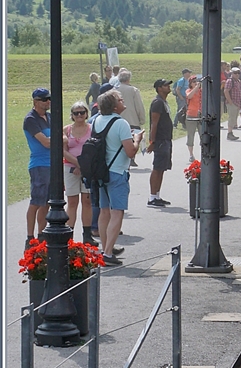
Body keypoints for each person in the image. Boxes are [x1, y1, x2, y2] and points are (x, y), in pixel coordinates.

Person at [93, 90, 143, 265]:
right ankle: (107, 253)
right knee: (117, 212)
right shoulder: (121, 123)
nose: (123, 101)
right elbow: (130, 152)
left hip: (101, 172)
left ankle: (105, 248)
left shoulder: (97, 120)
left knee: (104, 211)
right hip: (117, 171)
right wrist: (136, 139)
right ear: (115, 106)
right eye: (120, 100)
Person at [23, 88, 51, 246]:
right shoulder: (31, 119)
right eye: (44, 99)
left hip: (52, 164)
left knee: (47, 203)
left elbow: (64, 138)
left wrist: (56, 138)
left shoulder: (49, 117)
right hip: (39, 165)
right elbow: (45, 142)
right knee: (36, 201)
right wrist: (58, 138)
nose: (47, 102)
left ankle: (42, 234)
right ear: (35, 101)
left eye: (49, 99)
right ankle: (29, 237)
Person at [62, 102, 93, 242]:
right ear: (72, 115)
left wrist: (83, 167)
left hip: (88, 169)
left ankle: (87, 235)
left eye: (82, 112)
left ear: (87, 114)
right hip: (70, 168)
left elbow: (94, 149)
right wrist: (77, 164)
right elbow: (63, 151)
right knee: (72, 202)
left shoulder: (92, 129)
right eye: (76, 113)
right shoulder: (66, 130)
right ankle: (69, 235)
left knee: (87, 201)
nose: (79, 115)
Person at [147, 80, 174, 205]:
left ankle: (157, 195)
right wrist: (152, 141)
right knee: (157, 168)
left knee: (162, 168)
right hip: (160, 140)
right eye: (165, 85)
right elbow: (154, 123)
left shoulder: (163, 102)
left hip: (166, 139)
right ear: (159, 88)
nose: (168, 87)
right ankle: (152, 197)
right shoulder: (157, 102)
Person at [117, 68, 147, 170]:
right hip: (132, 119)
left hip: (118, 120)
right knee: (132, 139)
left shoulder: (114, 90)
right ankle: (131, 158)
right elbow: (139, 106)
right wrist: (142, 119)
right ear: (128, 79)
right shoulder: (133, 90)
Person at [185, 74, 202, 161]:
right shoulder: (189, 90)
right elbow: (189, 96)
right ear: (190, 83)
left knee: (203, 134)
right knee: (191, 135)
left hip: (200, 115)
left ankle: (204, 153)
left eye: (197, 81)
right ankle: (191, 154)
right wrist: (196, 88)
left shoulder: (202, 91)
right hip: (191, 115)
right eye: (194, 82)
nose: (196, 83)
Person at [224, 65, 241, 141]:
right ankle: (229, 133)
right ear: (232, 73)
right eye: (235, 73)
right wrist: (230, 102)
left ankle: (231, 132)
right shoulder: (230, 81)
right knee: (231, 118)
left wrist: (239, 104)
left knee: (234, 118)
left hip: (237, 103)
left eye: (238, 73)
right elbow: (226, 91)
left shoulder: (238, 81)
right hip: (232, 103)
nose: (237, 74)